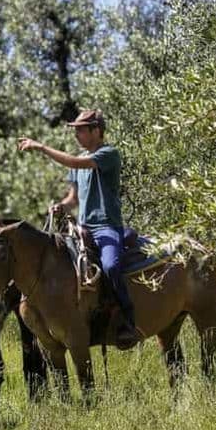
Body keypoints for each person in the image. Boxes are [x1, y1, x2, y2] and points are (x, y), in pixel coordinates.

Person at [17, 109, 140, 350]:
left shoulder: (108, 154)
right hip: (82, 228)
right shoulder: (80, 160)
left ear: (97, 130)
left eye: (81, 130)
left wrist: (41, 147)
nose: (76, 135)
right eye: (75, 130)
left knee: (111, 266)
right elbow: (73, 198)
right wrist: (60, 206)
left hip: (106, 227)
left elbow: (76, 162)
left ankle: (127, 319)